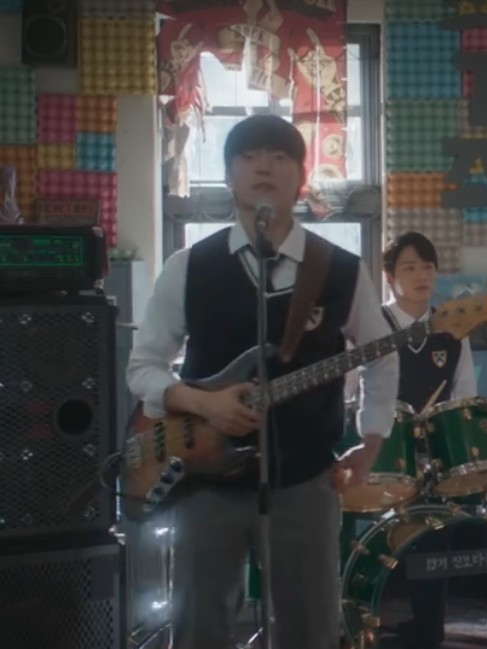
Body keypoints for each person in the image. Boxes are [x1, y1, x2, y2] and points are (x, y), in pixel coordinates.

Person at [125, 114, 400, 649]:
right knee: (200, 627)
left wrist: (371, 443)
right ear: (229, 176)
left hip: (305, 480)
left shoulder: (342, 271)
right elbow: (143, 367)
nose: (264, 168)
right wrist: (203, 404)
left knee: (310, 630)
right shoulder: (188, 266)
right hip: (205, 483)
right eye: (248, 157)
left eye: (279, 157)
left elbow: (381, 357)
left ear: (301, 177)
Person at [378, 231, 487, 646]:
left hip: (442, 458)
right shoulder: (374, 327)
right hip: (392, 460)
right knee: (432, 513)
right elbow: (352, 395)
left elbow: (464, 397)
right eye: (409, 267)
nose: (421, 275)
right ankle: (426, 621)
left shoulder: (454, 326)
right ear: (390, 277)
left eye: (428, 267)